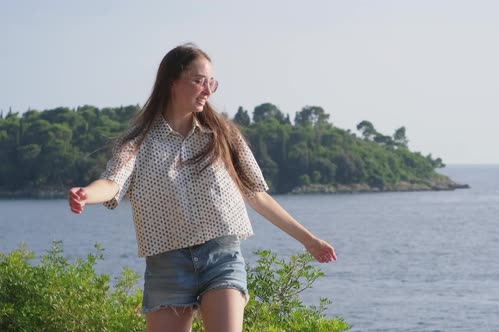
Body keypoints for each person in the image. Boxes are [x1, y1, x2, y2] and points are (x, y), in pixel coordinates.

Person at [68, 43, 337, 332]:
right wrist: (86, 194)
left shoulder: (223, 136)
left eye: (211, 82)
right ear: (172, 82)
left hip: (221, 257)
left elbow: (257, 196)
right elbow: (112, 182)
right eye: (199, 81)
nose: (207, 90)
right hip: (166, 264)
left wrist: (308, 240)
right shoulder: (139, 142)